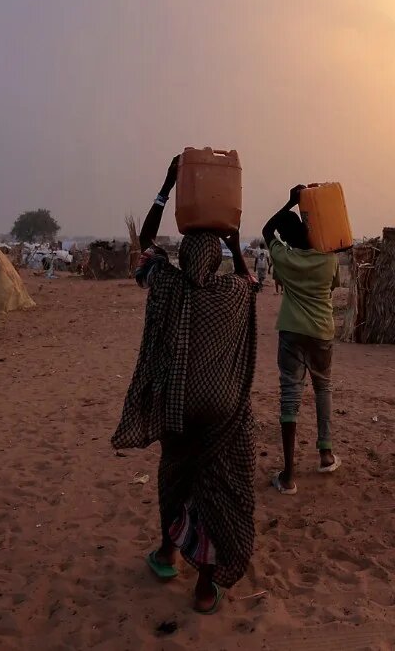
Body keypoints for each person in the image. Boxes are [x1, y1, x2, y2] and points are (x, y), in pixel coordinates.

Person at [112, 156, 260, 616]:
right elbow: (249, 280)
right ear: (215, 260)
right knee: (216, 485)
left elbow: (146, 244)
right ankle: (204, 587)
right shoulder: (232, 294)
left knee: (175, 477)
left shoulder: (166, 284)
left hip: (178, 406)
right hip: (222, 408)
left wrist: (167, 184)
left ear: (182, 257)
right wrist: (235, 244)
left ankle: (167, 553)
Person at [262, 185, 340, 495]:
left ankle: (289, 475)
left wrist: (289, 201)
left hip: (291, 333)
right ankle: (326, 454)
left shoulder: (283, 258)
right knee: (323, 389)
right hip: (322, 332)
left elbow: (268, 229)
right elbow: (333, 288)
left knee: (290, 397)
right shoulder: (329, 260)